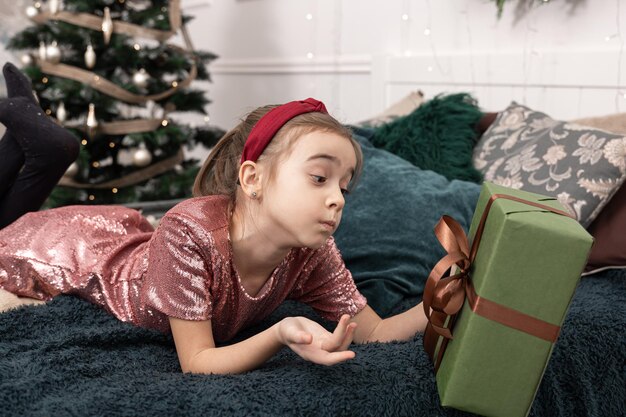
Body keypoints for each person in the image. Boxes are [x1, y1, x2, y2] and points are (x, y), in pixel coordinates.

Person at [0, 62, 428, 375]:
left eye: (344, 187)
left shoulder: (312, 252)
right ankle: (47, 152)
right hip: (68, 252)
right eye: (319, 178)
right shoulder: (190, 232)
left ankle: (43, 152)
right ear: (252, 178)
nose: (337, 199)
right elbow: (199, 362)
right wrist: (280, 333)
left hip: (121, 240)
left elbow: (373, 332)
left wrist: (444, 299)